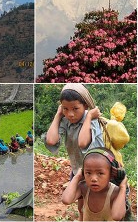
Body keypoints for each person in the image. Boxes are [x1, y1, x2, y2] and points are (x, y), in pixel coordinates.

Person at [45, 84, 104, 220]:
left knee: (94, 208)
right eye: (65, 109)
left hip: (95, 172)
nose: (70, 114)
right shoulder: (65, 120)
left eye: (75, 109)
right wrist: (58, 115)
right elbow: (51, 140)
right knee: (81, 207)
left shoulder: (92, 120)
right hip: (78, 170)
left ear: (85, 106)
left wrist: (89, 117)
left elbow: (83, 142)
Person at [62, 148, 127, 221]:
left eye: (100, 173)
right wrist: (77, 177)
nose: (93, 179)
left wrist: (123, 188)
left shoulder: (115, 192)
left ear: (111, 174)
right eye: (88, 173)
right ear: (83, 172)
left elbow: (117, 216)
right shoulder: (84, 188)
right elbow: (66, 200)